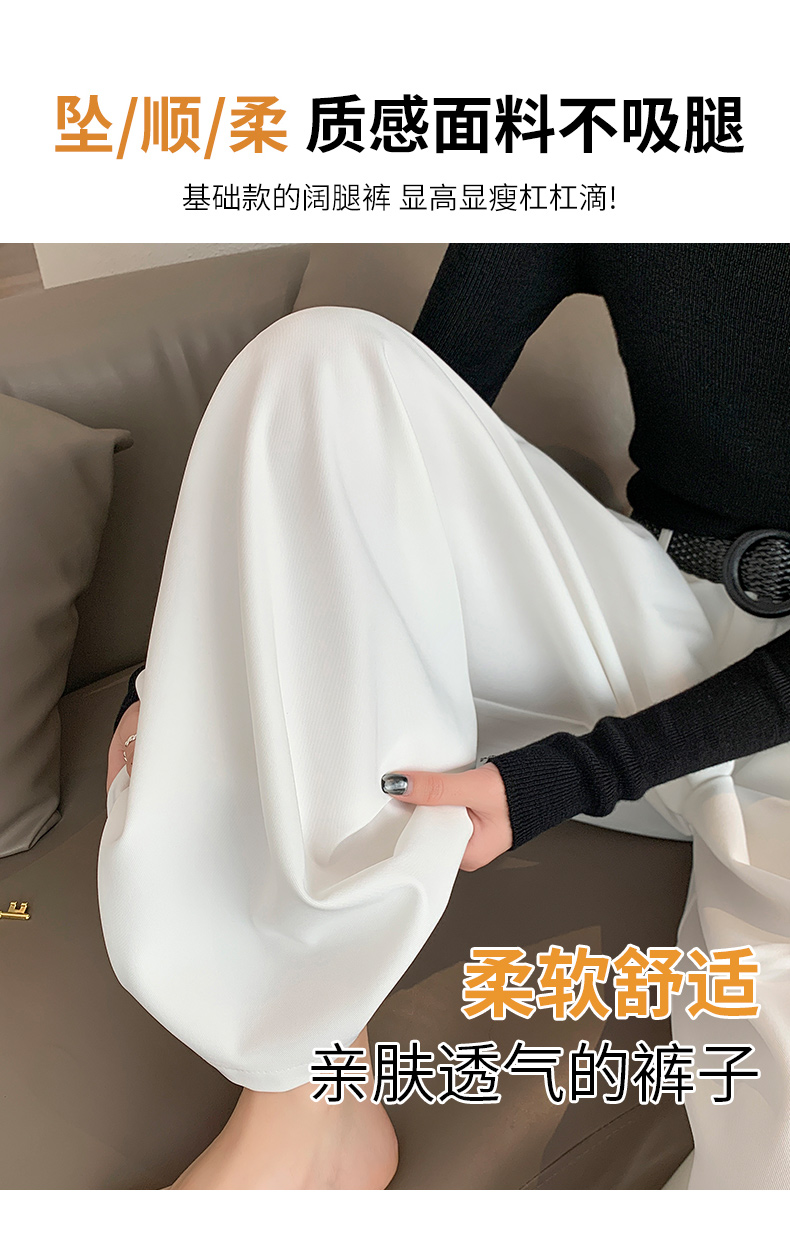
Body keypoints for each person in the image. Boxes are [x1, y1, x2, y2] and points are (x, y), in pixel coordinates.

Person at [102, 244, 790, 1190]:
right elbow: (390, 433)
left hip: (764, 717)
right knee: (323, 362)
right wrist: (167, 682)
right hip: (650, 610)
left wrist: (578, 773)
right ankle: (311, 1093)